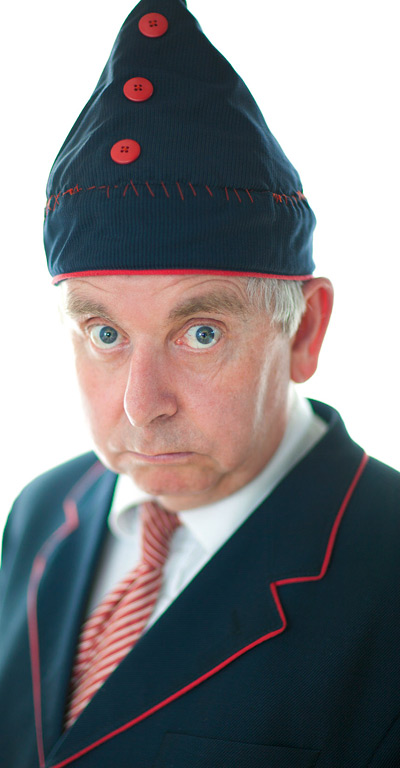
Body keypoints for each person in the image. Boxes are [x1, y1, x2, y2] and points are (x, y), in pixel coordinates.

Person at [0, 1, 399, 766]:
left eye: (200, 332)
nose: (142, 407)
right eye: (105, 334)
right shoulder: (43, 511)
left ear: (305, 330)